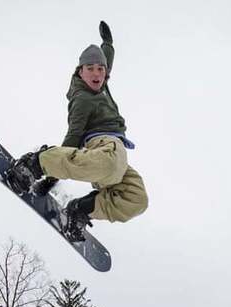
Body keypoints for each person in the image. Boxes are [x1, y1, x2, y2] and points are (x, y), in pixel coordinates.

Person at [8, 21, 148, 241]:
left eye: (100, 70)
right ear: (80, 71)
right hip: (103, 149)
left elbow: (106, 60)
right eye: (90, 69)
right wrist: (51, 177)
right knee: (111, 165)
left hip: (114, 157)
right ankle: (35, 163)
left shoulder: (101, 84)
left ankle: (81, 210)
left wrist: (108, 43)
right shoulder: (82, 99)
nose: (97, 74)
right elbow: (73, 136)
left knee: (137, 198)